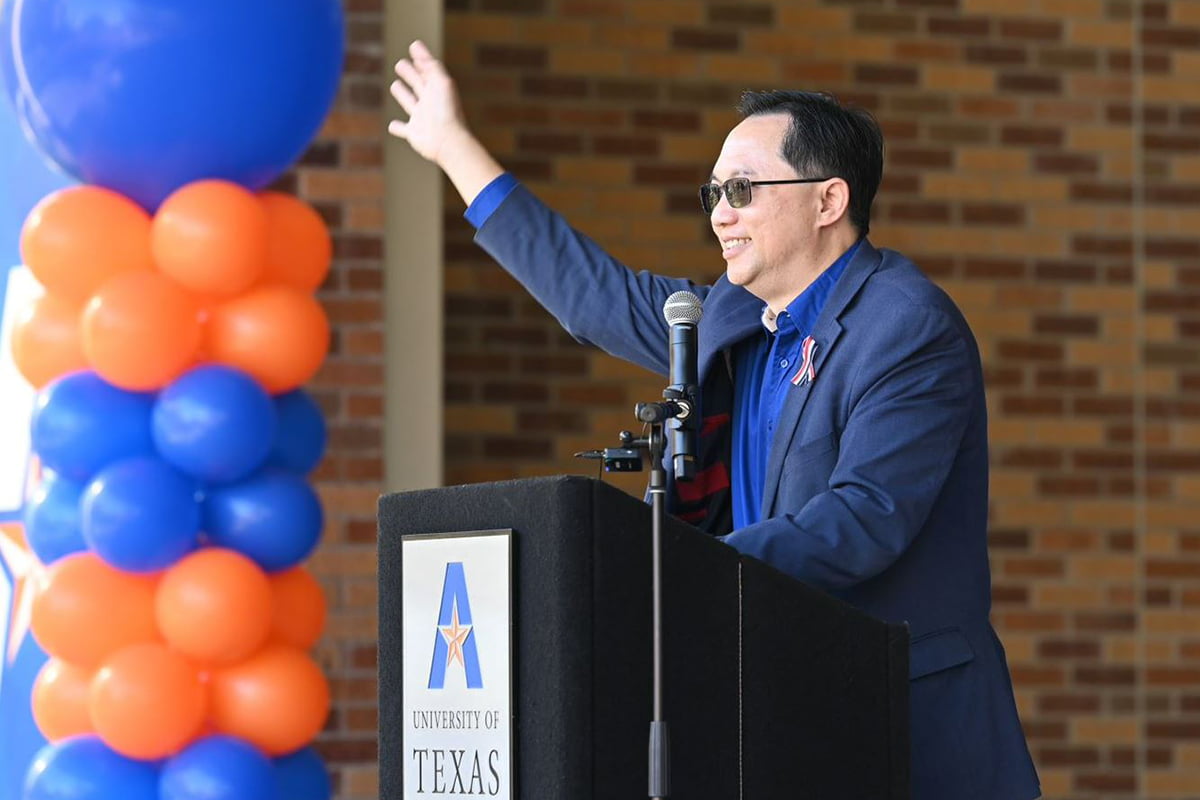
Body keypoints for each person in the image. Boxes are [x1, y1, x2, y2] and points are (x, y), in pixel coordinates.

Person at [388, 39, 1041, 800]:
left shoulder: (907, 325)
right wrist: (453, 148)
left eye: (742, 191)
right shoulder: (731, 314)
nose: (720, 216)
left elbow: (865, 518)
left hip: (909, 725)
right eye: (713, 196)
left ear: (828, 201)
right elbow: (592, 296)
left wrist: (683, 574)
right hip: (784, 710)